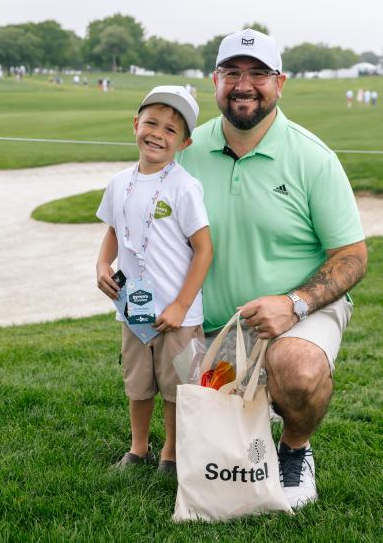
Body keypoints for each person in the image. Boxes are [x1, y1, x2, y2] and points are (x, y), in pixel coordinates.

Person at [178, 28, 367, 508]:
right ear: (214, 81)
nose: (244, 85)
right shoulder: (187, 151)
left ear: (279, 83)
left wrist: (294, 303)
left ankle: (295, 450)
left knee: (296, 372)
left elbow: (352, 255)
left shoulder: (312, 158)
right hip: (215, 325)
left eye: (258, 74)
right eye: (232, 73)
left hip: (298, 312)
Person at [96, 86, 213, 475]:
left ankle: (172, 452)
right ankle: (139, 447)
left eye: (170, 130)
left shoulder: (184, 186)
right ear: (135, 124)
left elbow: (204, 250)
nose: (158, 134)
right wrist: (101, 264)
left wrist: (180, 305)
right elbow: (114, 230)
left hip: (178, 314)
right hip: (134, 308)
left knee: (177, 387)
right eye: (151, 123)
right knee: (138, 381)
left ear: (185, 141)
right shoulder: (118, 182)